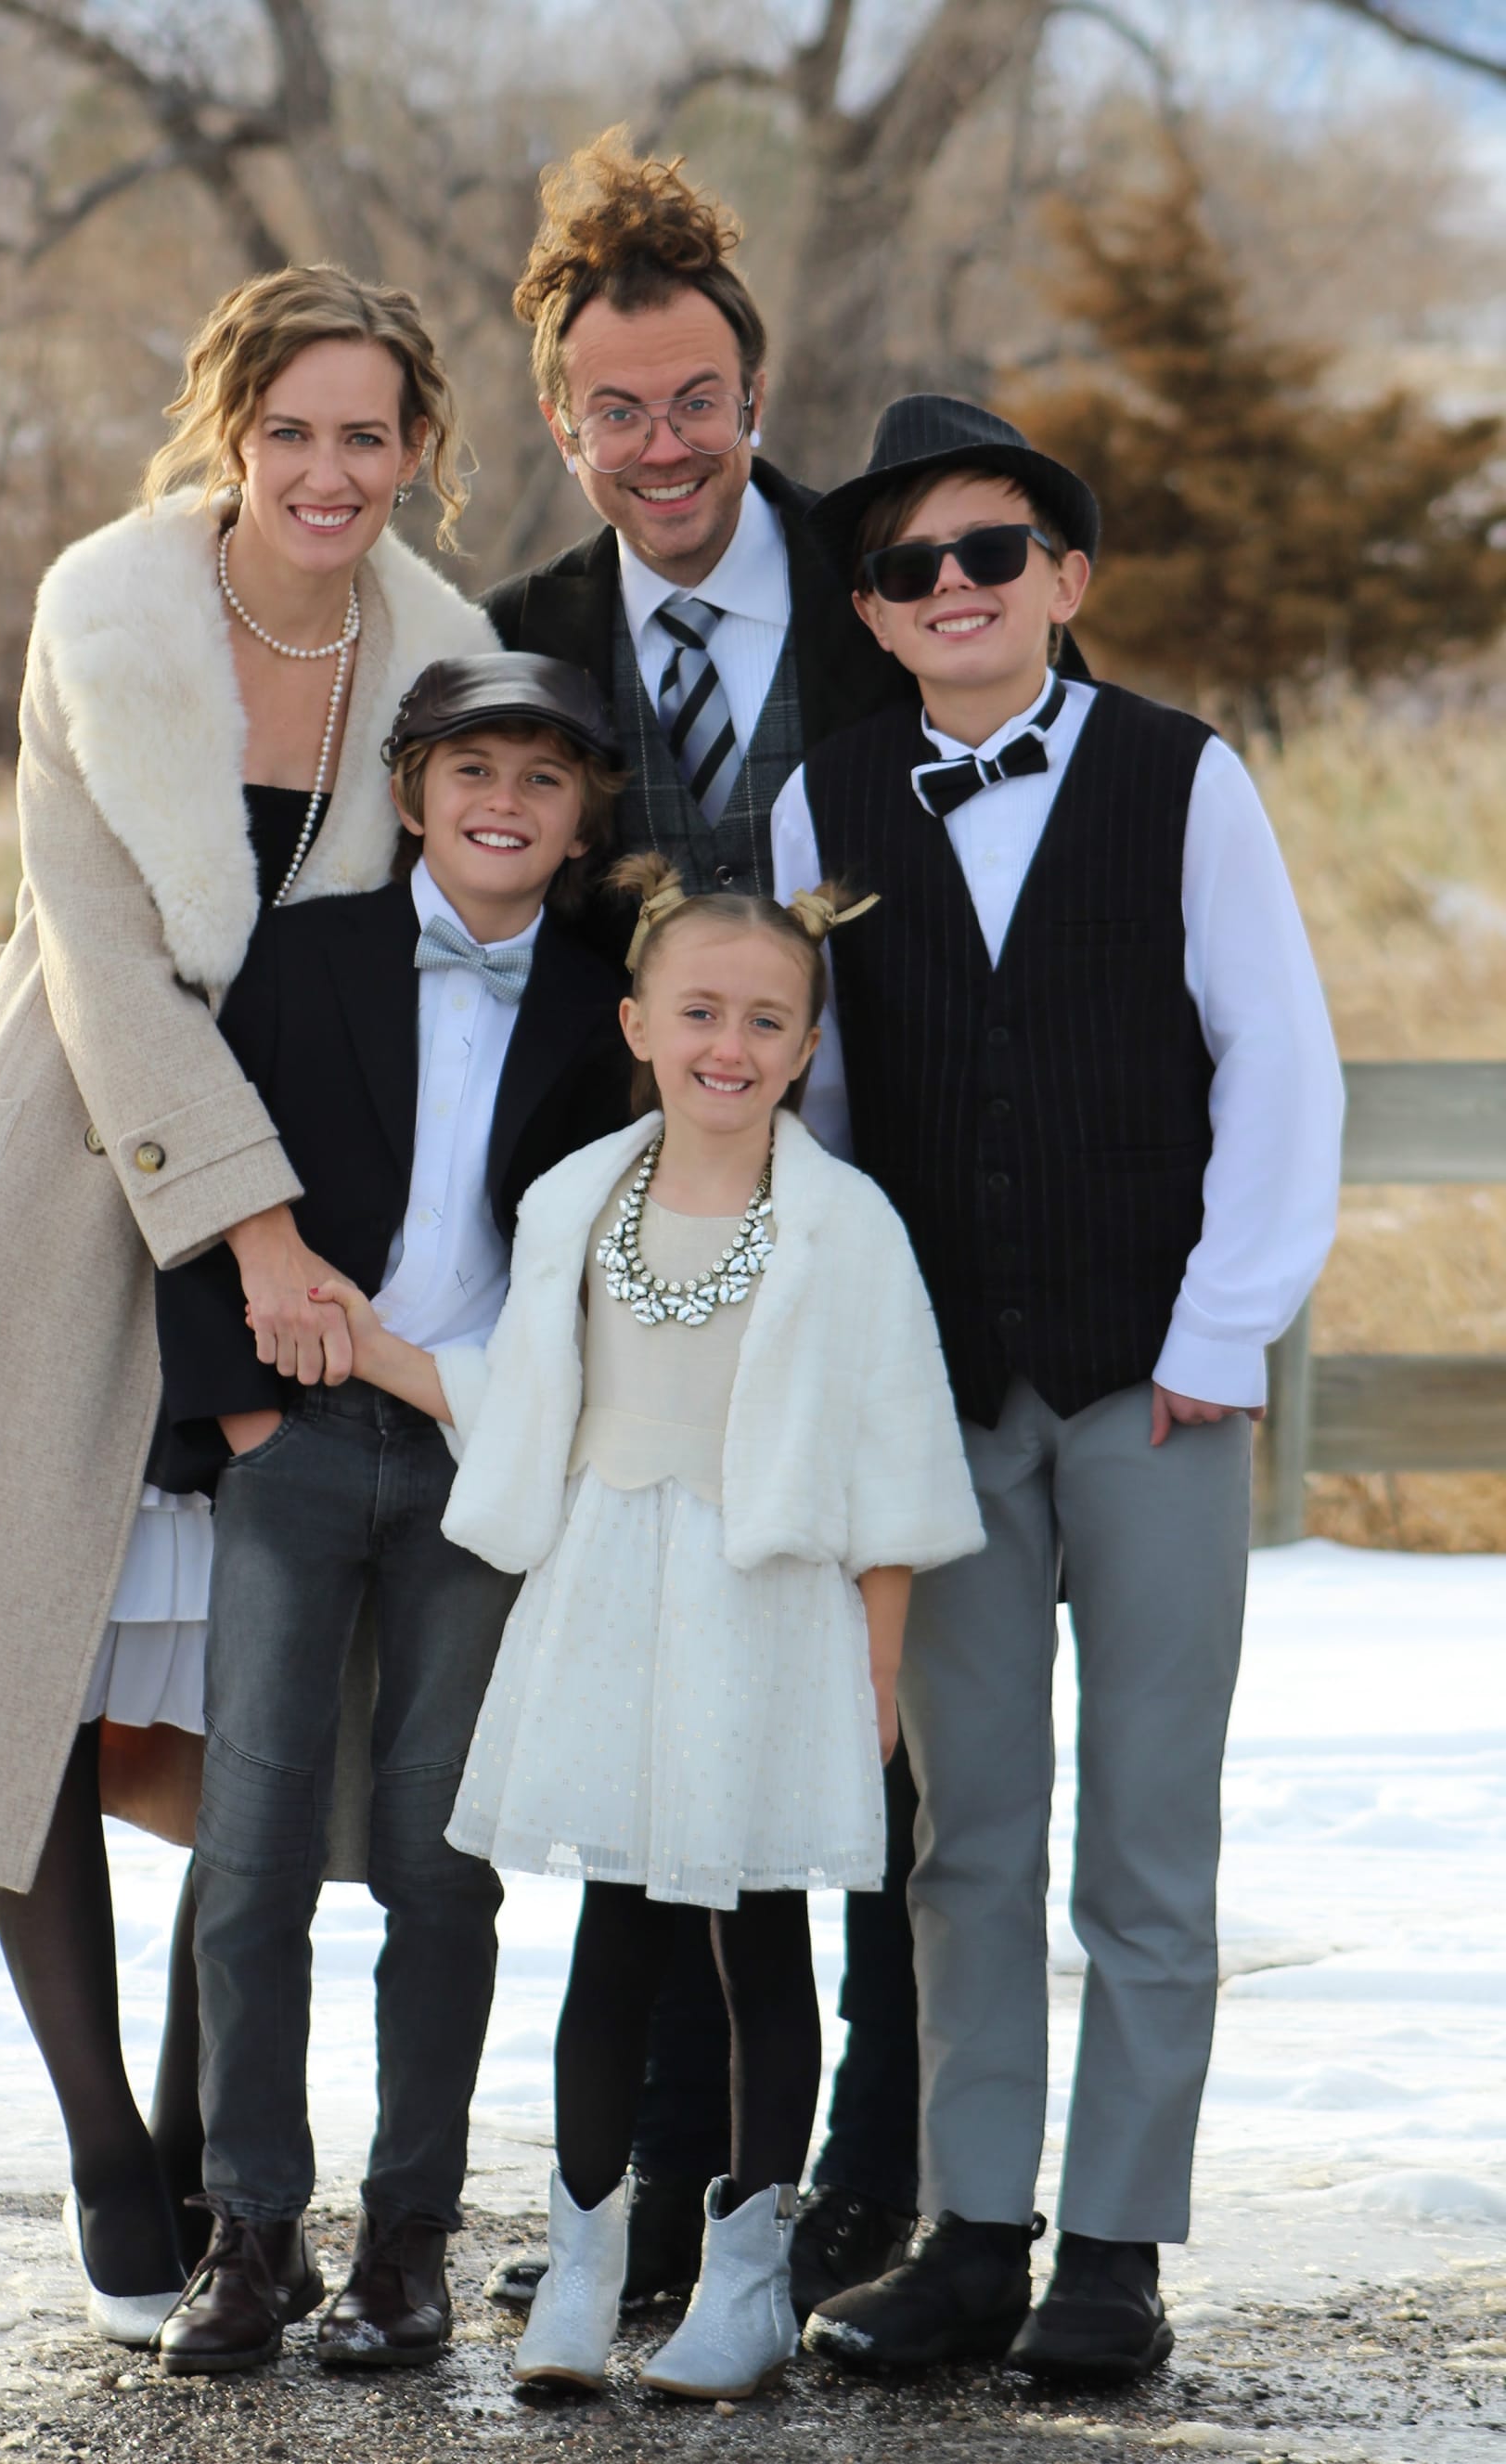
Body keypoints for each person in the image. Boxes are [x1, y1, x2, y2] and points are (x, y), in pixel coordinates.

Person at [0, 266, 497, 2342]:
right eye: (293, 429)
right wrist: (246, 1231)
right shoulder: (104, 620)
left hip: (323, 1199)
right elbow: (106, 956)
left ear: (418, 451)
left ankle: (204, 2120)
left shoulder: (443, 659)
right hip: (60, 1167)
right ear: (230, 429)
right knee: (17, 1666)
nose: (330, 472)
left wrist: (336, 1233)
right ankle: (97, 2141)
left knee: (267, 1676)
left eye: (370, 434)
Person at [766, 396, 1343, 2380]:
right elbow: (817, 1120)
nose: (953, 588)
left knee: (1145, 1839)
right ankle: (970, 2226)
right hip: (943, 1405)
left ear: (1063, 580)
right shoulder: (820, 801)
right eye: (909, 566)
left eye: (990, 553)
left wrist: (1216, 1333)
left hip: (1152, 1389)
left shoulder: (1183, 776)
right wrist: (851, 1378)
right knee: (969, 1832)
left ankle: (1115, 2245)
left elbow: (1276, 1060)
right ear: (870, 606)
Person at [316, 859, 985, 2400]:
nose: (729, 1046)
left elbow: (895, 1455)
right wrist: (380, 1349)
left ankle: (744, 2280)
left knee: (761, 1936)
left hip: (771, 1611)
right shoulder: (575, 1202)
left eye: (765, 1019)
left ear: (807, 1046)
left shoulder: (845, 1228)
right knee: (613, 1935)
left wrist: (877, 1667)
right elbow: (527, 1404)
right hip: (612, 1594)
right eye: (698, 1012)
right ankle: (589, 2263)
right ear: (637, 1021)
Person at [482, 124, 935, 2319]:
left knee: (877, 1741)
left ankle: (867, 2180)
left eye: (697, 402)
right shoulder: (523, 644)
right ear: (564, 428)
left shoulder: (883, 581)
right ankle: (654, 2199)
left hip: (887, 1244)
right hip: (659, 1275)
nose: (662, 447)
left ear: (754, 397)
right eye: (615, 412)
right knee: (677, 1757)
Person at [148, 652, 634, 2378]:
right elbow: (197, 1171)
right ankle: (248, 2234)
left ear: (582, 823)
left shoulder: (608, 1010)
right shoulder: (304, 957)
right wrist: (246, 1412)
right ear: (413, 790)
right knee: (254, 1841)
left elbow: (606, 1270)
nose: (503, 801)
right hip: (296, 1448)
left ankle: (408, 2239)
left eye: (545, 778)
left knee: (440, 1860)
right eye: (471, 768)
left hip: (478, 1462)